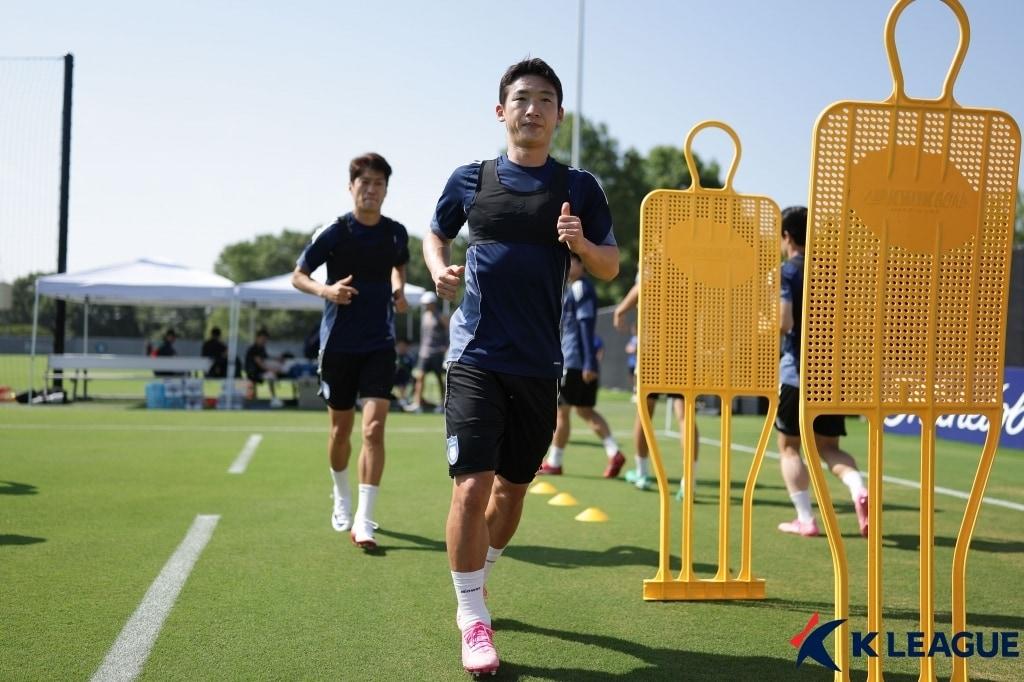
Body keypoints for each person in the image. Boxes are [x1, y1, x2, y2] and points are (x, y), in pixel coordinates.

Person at [424, 58, 619, 675]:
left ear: (559, 115)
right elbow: (436, 234)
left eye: (544, 100)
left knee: (511, 491)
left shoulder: (580, 187)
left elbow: (611, 264)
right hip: (474, 356)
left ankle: (480, 576)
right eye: (521, 98)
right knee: (471, 484)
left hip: (540, 364)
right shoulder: (471, 179)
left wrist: (581, 245)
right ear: (500, 109)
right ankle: (472, 615)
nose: (531, 109)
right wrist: (439, 269)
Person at [291, 152, 410, 551]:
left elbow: (399, 264)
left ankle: (365, 518)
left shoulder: (396, 233)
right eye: (365, 183)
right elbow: (298, 276)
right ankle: (341, 494)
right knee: (341, 431)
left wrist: (398, 288)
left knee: (373, 429)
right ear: (351, 187)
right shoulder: (336, 232)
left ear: (386, 190)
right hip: (339, 345)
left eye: (379, 183)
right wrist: (326, 291)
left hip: (380, 344)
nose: (371, 190)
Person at [774, 206, 868, 538]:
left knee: (789, 447)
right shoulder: (831, 272)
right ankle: (859, 489)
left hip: (796, 374)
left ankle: (805, 518)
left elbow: (785, 322)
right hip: (831, 375)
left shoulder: (788, 272)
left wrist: (765, 325)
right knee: (829, 446)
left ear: (787, 236)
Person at [539, 253, 626, 477]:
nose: (566, 267)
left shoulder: (580, 288)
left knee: (561, 412)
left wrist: (588, 362)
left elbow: (586, 326)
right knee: (585, 410)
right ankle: (613, 451)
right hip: (579, 361)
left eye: (570, 262)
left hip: (575, 361)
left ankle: (555, 462)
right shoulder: (577, 288)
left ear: (581, 264)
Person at [612, 278, 699, 493]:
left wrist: (620, 309)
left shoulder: (654, 251)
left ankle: (642, 474)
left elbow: (643, 284)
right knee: (685, 414)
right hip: (683, 345)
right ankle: (689, 481)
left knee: (644, 411)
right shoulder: (690, 258)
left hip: (654, 346)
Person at [407, 291, 448, 413]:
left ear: (433, 303)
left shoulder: (440, 316)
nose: (425, 305)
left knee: (439, 378)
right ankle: (417, 403)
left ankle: (442, 403)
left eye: (427, 303)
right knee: (420, 377)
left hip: (437, 352)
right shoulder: (425, 316)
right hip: (424, 353)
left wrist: (445, 346)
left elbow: (448, 331)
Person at [245, 328, 283, 408]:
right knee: (271, 375)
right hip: (253, 373)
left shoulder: (262, 348)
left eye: (266, 339)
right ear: (257, 338)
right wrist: (273, 370)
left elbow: (266, 358)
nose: (264, 341)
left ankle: (273, 398)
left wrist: (277, 359)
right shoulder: (254, 349)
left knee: (272, 373)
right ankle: (273, 398)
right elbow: (260, 364)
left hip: (260, 372)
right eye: (263, 339)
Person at [393, 337, 416, 406]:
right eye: (400, 345)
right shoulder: (394, 356)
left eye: (404, 346)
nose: (402, 347)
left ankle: (404, 399)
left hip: (404, 378)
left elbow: (412, 368)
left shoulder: (409, 357)